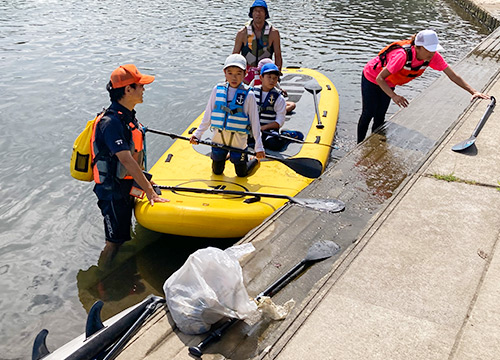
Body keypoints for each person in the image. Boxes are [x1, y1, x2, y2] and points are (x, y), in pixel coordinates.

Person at [92, 64, 168, 264]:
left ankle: (124, 276)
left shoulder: (126, 116)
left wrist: (145, 184)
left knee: (123, 236)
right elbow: (125, 159)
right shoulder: (111, 123)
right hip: (112, 192)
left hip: (125, 186)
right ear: (128, 90)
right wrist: (149, 192)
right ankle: (102, 282)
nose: (144, 89)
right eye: (140, 86)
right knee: (113, 241)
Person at [357, 29, 489, 143]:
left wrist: (473, 91)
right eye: (429, 50)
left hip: (389, 82)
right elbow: (380, 78)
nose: (432, 53)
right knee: (369, 113)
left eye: (434, 49)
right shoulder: (402, 56)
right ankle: (359, 143)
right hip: (372, 77)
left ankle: (373, 142)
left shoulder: (432, 57)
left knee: (380, 115)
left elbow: (452, 75)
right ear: (418, 47)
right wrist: (394, 96)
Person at [190, 54, 265, 176]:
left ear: (245, 74)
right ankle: (226, 155)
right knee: (217, 171)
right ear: (224, 73)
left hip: (238, 141)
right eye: (230, 73)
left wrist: (259, 147)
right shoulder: (217, 89)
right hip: (219, 138)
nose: (234, 77)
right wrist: (198, 134)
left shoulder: (249, 95)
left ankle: (253, 160)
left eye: (238, 73)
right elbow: (208, 114)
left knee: (241, 173)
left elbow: (255, 122)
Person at [233, 0, 282, 85]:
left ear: (265, 14)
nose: (258, 14)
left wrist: (276, 77)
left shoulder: (274, 33)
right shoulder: (242, 33)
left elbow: (278, 57)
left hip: (266, 73)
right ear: (252, 14)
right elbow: (234, 58)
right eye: (255, 11)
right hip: (247, 73)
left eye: (261, 11)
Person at [252, 62, 287, 150]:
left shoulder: (279, 98)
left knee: (273, 144)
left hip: (269, 130)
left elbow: (279, 121)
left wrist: (263, 128)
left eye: (275, 78)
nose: (272, 80)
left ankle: (286, 135)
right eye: (269, 77)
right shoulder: (252, 92)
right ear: (261, 77)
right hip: (252, 129)